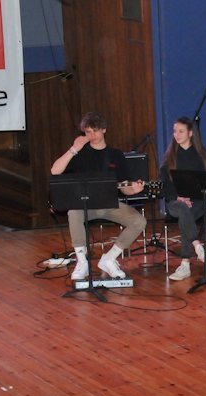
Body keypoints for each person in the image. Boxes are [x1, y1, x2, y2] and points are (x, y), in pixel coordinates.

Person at [50, 111, 147, 281]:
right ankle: (82, 262)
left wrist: (134, 190)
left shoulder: (115, 155)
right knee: (73, 213)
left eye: (95, 130)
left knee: (139, 221)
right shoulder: (80, 153)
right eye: (88, 132)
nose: (92, 135)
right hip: (85, 204)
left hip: (110, 204)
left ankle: (109, 259)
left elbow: (124, 187)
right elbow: (55, 170)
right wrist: (73, 149)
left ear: (104, 130)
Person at [159, 116, 206, 281]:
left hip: (197, 201)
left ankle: (185, 264)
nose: (176, 135)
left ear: (190, 133)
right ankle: (197, 246)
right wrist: (178, 197)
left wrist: (193, 196)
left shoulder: (201, 156)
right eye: (175, 131)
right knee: (183, 209)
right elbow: (166, 186)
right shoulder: (170, 157)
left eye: (181, 131)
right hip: (176, 202)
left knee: (186, 214)